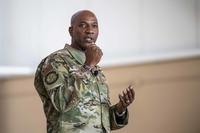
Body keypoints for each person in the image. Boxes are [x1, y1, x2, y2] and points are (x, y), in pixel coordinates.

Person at [34, 10, 135, 133]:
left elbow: (99, 122)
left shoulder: (95, 69)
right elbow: (61, 102)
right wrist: (88, 66)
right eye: (83, 25)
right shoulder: (55, 61)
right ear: (71, 31)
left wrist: (120, 108)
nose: (90, 30)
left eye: (94, 25)